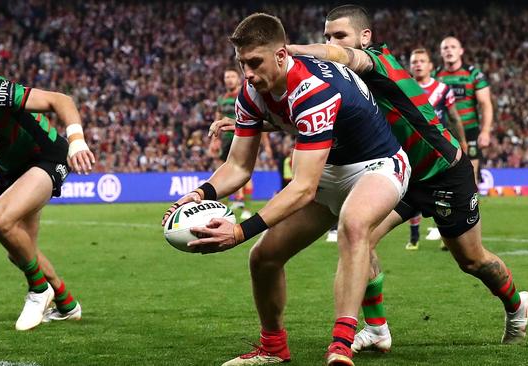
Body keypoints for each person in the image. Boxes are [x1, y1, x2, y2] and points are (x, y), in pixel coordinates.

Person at [162, 13, 410, 366]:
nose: (247, 73)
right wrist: (201, 194)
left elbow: (304, 188)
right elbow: (238, 166)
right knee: (263, 258)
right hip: (329, 172)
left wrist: (240, 231)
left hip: (378, 165)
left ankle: (340, 346)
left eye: (254, 63)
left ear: (280, 56)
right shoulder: (251, 93)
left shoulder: (312, 89)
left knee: (354, 225)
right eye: (241, 63)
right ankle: (273, 348)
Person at [286, 4, 528, 354]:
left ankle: (515, 304)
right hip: (398, 173)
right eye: (326, 35)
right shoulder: (341, 84)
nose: (332, 42)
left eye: (340, 35)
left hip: (443, 170)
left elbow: (342, 55)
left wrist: (295, 51)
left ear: (364, 37)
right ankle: (376, 329)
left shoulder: (377, 61)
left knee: (472, 260)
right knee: (359, 236)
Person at [0, 75, 94, 330]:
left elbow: (60, 100)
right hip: (12, 170)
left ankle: (38, 291)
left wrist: (77, 141)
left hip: (46, 155)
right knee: (19, 251)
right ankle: (66, 304)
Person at [406, 48, 468, 250]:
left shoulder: (442, 89)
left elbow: (454, 117)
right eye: (414, 61)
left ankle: (445, 236)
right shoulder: (404, 88)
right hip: (412, 149)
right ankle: (414, 237)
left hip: (437, 150)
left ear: (431, 66)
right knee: (412, 191)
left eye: (422, 61)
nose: (418, 64)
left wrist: (463, 142)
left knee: (442, 195)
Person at [211, 67, 273, 219]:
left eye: (232, 76)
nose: (229, 80)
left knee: (244, 173)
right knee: (221, 173)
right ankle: (223, 208)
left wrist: (267, 145)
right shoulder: (221, 98)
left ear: (238, 79)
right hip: (226, 140)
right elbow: (217, 119)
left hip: (244, 137)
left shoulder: (247, 94)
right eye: (226, 77)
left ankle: (246, 209)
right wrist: (214, 140)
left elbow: (258, 119)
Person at [434, 36, 494, 186]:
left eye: (453, 47)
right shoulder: (435, 76)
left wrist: (485, 131)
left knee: (470, 175)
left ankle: (471, 209)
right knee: (445, 177)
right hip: (445, 133)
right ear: (441, 53)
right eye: (445, 48)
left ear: (461, 51)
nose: (449, 50)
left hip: (470, 131)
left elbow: (485, 104)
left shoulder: (473, 74)